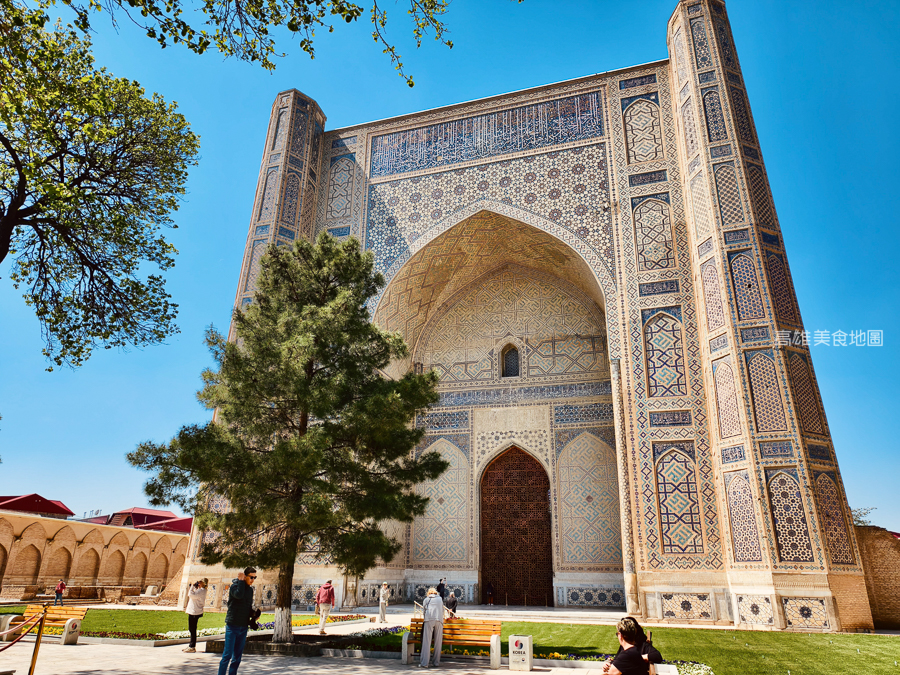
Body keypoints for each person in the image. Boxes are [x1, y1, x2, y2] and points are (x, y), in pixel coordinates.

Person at [218, 567, 256, 675]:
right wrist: (240, 581)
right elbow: (239, 595)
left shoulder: (250, 590)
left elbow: (247, 605)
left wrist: (253, 614)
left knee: (237, 657)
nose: (253, 580)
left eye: (255, 577)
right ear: (245, 576)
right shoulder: (234, 587)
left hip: (243, 627)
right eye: (251, 577)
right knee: (227, 656)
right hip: (232, 626)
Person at [419, 587, 444, 669]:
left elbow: (424, 611)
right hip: (439, 620)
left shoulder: (426, 599)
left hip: (429, 620)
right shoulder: (440, 599)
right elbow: (442, 610)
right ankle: (436, 662)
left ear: (429, 593)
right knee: (438, 642)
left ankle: (424, 663)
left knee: (426, 641)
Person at [183, 578, 208, 653]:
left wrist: (192, 587)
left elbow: (190, 595)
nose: (198, 584)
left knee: (192, 629)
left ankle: (192, 646)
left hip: (195, 612)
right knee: (192, 629)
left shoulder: (201, 591)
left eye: (200, 583)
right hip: (194, 611)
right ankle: (191, 645)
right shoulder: (201, 590)